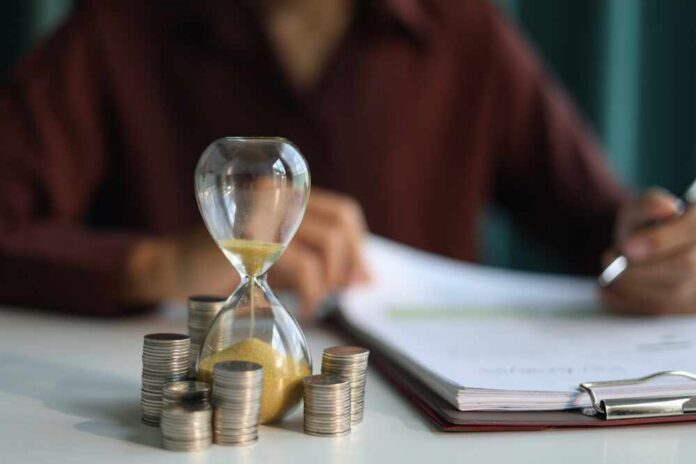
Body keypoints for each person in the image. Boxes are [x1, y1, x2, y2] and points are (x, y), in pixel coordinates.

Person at [0, 0, 694, 316]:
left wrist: (659, 250)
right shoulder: (119, 26)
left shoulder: (463, 30)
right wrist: (151, 266)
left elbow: (597, 222)